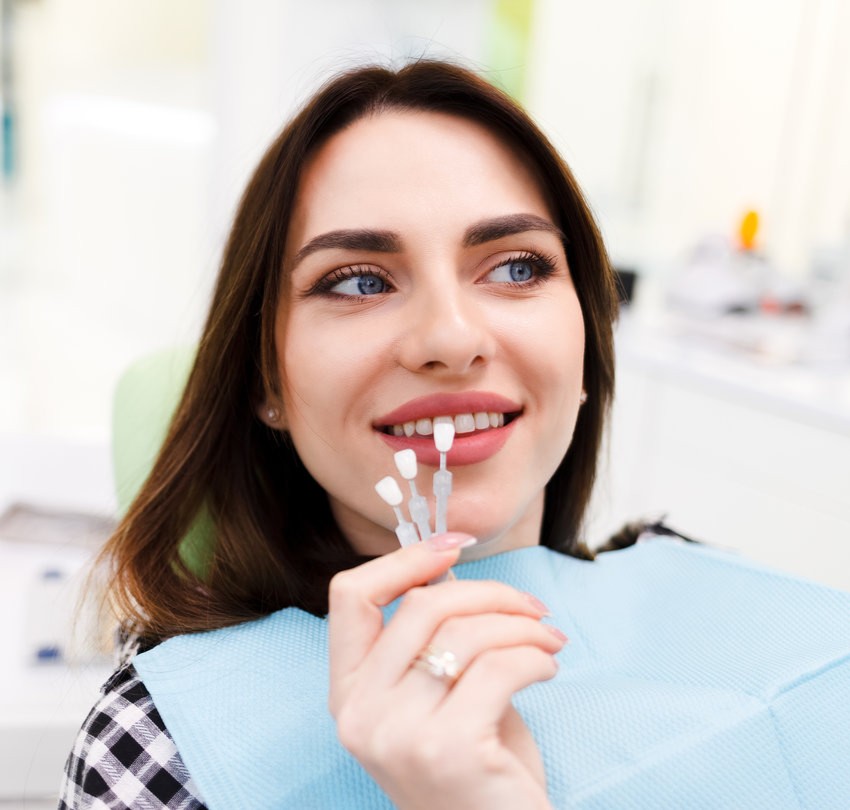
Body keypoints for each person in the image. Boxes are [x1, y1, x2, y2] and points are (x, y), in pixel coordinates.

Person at [59, 60, 850, 810]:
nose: (450, 336)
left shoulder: (737, 609)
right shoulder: (160, 745)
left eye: (516, 267)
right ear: (268, 379)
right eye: (359, 281)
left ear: (584, 348)